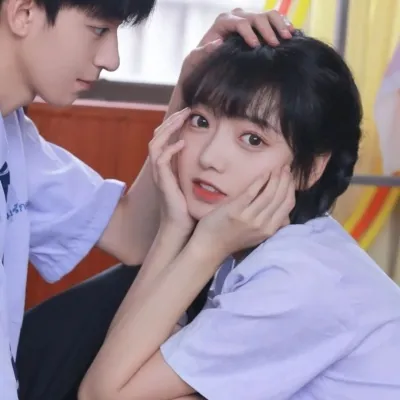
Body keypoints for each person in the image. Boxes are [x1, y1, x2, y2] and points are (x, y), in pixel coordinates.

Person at [79, 31, 400, 400]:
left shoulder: (296, 278)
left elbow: (101, 395)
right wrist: (173, 226)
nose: (209, 158)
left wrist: (205, 246)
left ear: (311, 168)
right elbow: (125, 362)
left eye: (252, 140)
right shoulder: (257, 246)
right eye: (200, 121)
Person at [0, 0, 293, 399]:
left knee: (162, 283)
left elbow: (130, 236)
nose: (112, 59)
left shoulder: (14, 134)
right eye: (99, 30)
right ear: (23, 13)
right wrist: (206, 248)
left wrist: (191, 79)